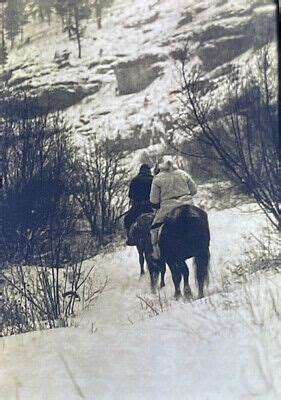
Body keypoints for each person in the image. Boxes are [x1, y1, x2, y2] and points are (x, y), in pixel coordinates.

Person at [150, 156, 197, 259]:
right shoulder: (183, 174)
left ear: (160, 166)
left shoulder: (157, 179)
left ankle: (156, 253)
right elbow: (194, 190)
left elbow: (154, 200)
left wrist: (159, 204)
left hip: (168, 208)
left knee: (154, 229)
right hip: (188, 205)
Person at [124, 164, 153, 245]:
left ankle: (130, 238)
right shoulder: (153, 179)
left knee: (127, 219)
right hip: (151, 207)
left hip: (138, 207)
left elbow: (130, 195)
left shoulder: (135, 180)